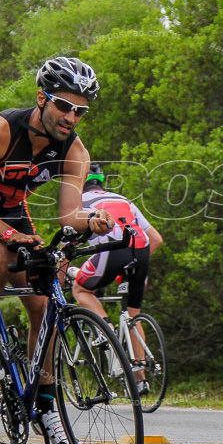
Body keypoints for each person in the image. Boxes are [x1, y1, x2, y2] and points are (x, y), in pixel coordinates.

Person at [0, 56, 115, 444]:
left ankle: (46, 406)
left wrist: (93, 219)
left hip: (13, 208)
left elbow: (69, 214)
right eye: (64, 105)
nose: (71, 116)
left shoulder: (75, 152)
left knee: (45, 302)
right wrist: (10, 235)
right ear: (42, 98)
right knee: (1, 256)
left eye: (80, 110)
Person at [71, 164, 163, 395]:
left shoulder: (76, 203)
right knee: (133, 314)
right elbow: (157, 239)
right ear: (101, 181)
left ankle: (107, 330)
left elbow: (67, 245)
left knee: (81, 291)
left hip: (112, 250)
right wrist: (130, 266)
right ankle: (140, 379)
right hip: (140, 252)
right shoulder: (123, 199)